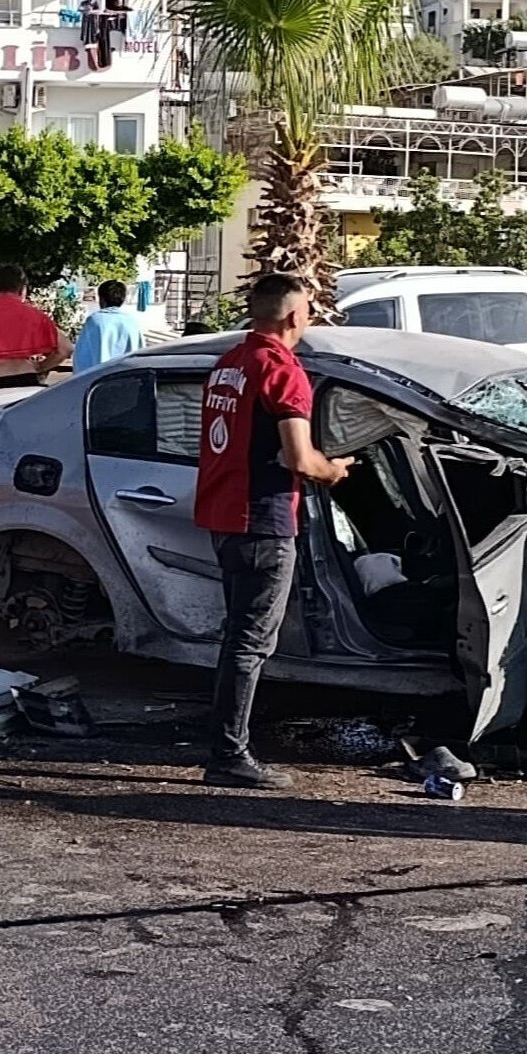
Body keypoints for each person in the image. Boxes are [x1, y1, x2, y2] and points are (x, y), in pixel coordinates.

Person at [197, 274, 351, 789]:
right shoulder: (282, 370)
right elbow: (300, 459)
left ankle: (225, 747)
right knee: (250, 642)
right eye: (308, 308)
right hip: (262, 519)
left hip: (225, 517)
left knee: (238, 636)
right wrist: (334, 470)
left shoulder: (230, 363)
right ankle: (229, 754)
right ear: (294, 316)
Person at [0, 266, 65, 388]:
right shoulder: (34, 314)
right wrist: (41, 367)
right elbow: (65, 348)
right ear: (23, 289)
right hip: (26, 378)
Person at [72, 277, 157, 375]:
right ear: (123, 299)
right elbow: (140, 355)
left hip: (99, 379)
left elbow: (82, 357)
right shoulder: (132, 321)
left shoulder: (95, 320)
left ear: (102, 299)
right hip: (127, 378)